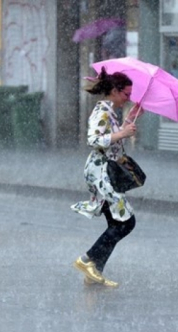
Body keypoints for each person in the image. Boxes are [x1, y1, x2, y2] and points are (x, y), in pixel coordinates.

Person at [71, 67, 142, 288]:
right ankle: (87, 260)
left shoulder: (109, 111)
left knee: (115, 222)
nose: (127, 99)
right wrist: (121, 133)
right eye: (125, 94)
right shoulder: (101, 111)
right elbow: (93, 140)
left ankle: (94, 272)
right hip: (101, 173)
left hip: (104, 172)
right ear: (114, 90)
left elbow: (109, 138)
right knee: (126, 222)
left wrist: (126, 122)